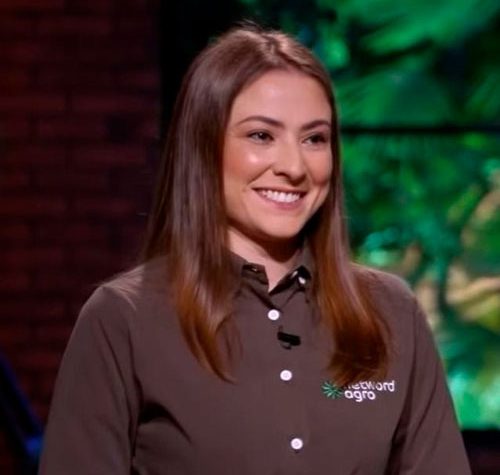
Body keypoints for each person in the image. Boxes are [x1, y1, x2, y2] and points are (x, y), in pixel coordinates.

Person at [38, 23, 471, 474]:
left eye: (314, 139)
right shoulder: (123, 318)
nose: (294, 167)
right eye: (261, 136)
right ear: (203, 146)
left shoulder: (391, 312)